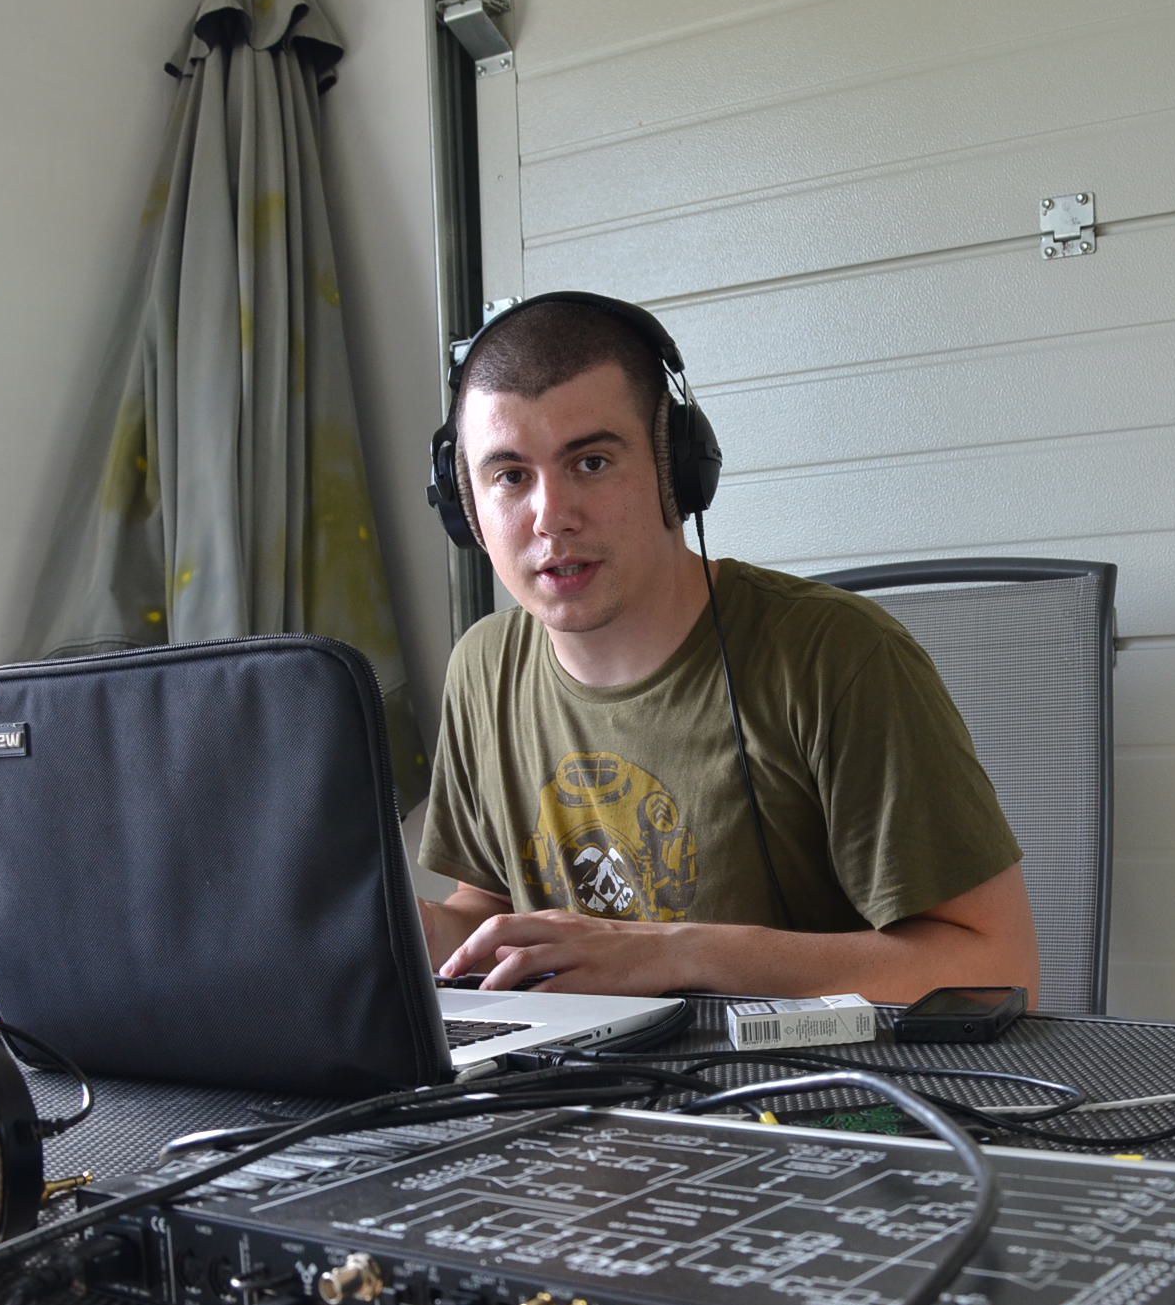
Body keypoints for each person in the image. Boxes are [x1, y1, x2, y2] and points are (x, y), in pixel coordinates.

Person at [417, 293, 1038, 1003]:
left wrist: (681, 955)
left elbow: (1000, 970)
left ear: (677, 468)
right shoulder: (483, 666)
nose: (551, 516)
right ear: (464, 504)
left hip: (801, 1098)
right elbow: (488, 905)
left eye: (590, 462)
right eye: (510, 476)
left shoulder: (839, 659)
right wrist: (417, 931)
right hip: (571, 1097)